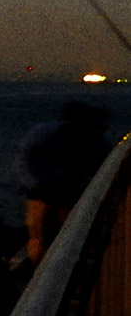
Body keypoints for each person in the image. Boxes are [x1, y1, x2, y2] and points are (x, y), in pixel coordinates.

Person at [16, 101, 111, 268]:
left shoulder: (93, 140)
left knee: (51, 239)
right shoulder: (47, 135)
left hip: (62, 194)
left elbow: (24, 161)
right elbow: (25, 161)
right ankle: (43, 270)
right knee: (45, 238)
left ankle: (47, 271)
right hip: (47, 194)